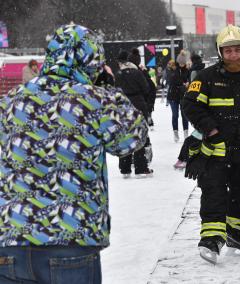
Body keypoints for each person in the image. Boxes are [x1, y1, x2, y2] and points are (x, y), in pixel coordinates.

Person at [0, 24, 147, 283]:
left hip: (10, 241)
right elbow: (132, 140)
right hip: (70, 239)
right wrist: (110, 91)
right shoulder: (95, 100)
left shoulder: (9, 101)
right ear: (93, 61)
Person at [182, 24, 240, 264]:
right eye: (228, 51)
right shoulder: (206, 78)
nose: (233, 55)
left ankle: (236, 235)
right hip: (215, 151)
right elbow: (191, 105)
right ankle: (211, 239)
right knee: (214, 194)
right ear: (220, 52)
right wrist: (211, 129)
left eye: (237, 50)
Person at [115, 49, 154, 178]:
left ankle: (125, 168)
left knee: (125, 135)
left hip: (123, 106)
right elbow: (146, 87)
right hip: (137, 104)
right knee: (139, 134)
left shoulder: (118, 74)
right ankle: (140, 167)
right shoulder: (136, 73)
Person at [173, 53, 206, 170]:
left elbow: (194, 90)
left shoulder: (193, 72)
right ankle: (184, 158)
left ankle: (184, 159)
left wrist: (186, 87)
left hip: (200, 107)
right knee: (195, 137)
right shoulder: (203, 69)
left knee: (194, 138)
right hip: (204, 108)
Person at [168, 52, 189, 142]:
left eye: (183, 63)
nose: (182, 64)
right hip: (173, 96)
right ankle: (175, 133)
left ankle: (186, 133)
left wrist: (186, 84)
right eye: (180, 62)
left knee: (184, 115)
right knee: (175, 115)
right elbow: (172, 81)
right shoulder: (174, 69)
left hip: (183, 96)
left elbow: (189, 81)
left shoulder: (187, 70)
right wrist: (183, 84)